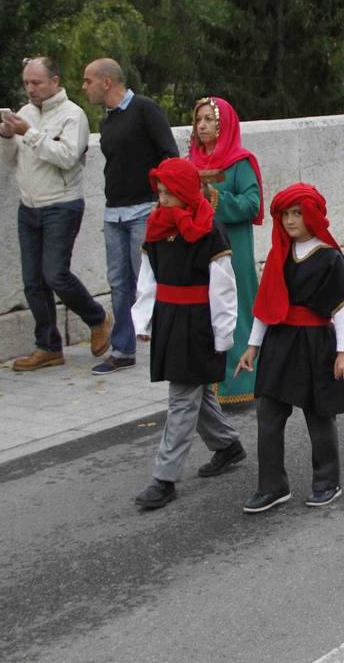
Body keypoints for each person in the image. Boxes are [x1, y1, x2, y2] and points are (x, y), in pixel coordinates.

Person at [237, 183, 344, 512]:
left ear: (312, 215)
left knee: (319, 416)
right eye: (285, 214)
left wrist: (343, 352)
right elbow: (266, 305)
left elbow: (341, 308)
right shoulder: (279, 255)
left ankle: (326, 481)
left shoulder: (330, 257)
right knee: (268, 413)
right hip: (280, 342)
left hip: (317, 344)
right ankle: (272, 486)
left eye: (297, 213)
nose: (290, 221)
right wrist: (252, 346)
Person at [129, 158, 243, 510]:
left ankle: (164, 478)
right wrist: (144, 320)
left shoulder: (209, 231)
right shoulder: (156, 227)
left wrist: (223, 334)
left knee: (182, 397)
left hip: (198, 323)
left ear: (185, 192)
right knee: (193, 389)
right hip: (169, 317)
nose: (162, 199)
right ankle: (227, 446)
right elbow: (148, 278)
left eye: (169, 192)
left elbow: (224, 288)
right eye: (160, 192)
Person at [0, 57, 111, 372]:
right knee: (33, 281)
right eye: (26, 83)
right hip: (29, 206)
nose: (30, 89)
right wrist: (7, 135)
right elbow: (10, 160)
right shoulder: (24, 113)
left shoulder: (73, 115)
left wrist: (30, 133)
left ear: (55, 82)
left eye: (36, 83)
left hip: (62, 203)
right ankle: (48, 346)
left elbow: (67, 157)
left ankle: (98, 318)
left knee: (55, 274)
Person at [82, 58, 179, 374]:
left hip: (143, 210)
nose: (84, 87)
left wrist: (162, 201)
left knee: (150, 278)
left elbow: (169, 154)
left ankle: (169, 341)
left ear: (107, 82)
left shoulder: (144, 109)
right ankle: (123, 349)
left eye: (88, 81)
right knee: (118, 282)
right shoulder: (107, 120)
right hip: (114, 213)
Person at [187, 97, 263, 403]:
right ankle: (207, 378)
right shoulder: (191, 162)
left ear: (224, 125)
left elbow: (252, 203)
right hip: (199, 248)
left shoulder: (239, 162)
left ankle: (241, 381)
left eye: (209, 119)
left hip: (232, 248)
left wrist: (216, 199)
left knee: (236, 308)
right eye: (198, 120)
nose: (202, 125)